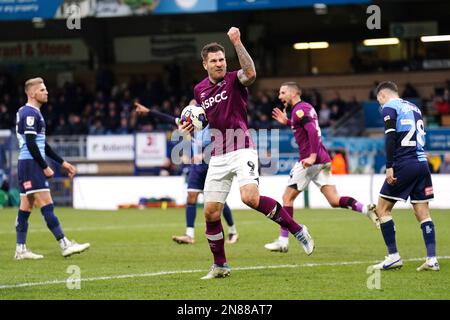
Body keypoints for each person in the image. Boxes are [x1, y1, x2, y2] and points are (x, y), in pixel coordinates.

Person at [188, 27, 314, 280]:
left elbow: (251, 73)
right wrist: (190, 124)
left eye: (222, 59)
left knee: (250, 198)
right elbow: (202, 117)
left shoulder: (235, 79)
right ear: (205, 65)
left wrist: (237, 42)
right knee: (211, 212)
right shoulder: (199, 90)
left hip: (241, 146)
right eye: (213, 61)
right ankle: (220, 265)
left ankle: (297, 229)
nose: (219, 64)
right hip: (218, 153)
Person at [265, 82, 378, 253]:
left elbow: (311, 131)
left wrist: (311, 155)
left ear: (293, 93)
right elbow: (304, 128)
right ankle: (365, 209)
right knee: (334, 200)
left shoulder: (299, 109)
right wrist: (287, 122)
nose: (280, 96)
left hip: (309, 160)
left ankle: (283, 240)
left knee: (287, 198)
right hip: (323, 160)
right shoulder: (306, 108)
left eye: (282, 92)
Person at [134, 101, 239, 245]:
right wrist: (149, 111)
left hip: (212, 166)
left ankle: (233, 230)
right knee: (191, 197)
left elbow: (220, 143)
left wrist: (203, 155)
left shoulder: (212, 124)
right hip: (196, 167)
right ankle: (189, 234)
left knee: (217, 201)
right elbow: (169, 119)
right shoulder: (188, 123)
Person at [14, 77, 90, 260]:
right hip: (31, 164)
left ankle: (20, 249)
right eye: (42, 90)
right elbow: (31, 144)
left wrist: (62, 162)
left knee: (26, 207)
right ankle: (64, 244)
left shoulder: (31, 113)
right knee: (47, 204)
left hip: (27, 164)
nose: (46, 92)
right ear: (32, 93)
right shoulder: (30, 114)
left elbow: (42, 144)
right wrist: (44, 166)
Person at [371, 81, 438, 271]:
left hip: (403, 163)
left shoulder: (389, 107)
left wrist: (390, 166)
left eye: (379, 101)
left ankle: (393, 256)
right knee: (422, 213)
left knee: (382, 209)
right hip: (421, 163)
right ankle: (432, 259)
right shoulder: (414, 107)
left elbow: (390, 136)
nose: (380, 106)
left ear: (383, 96)